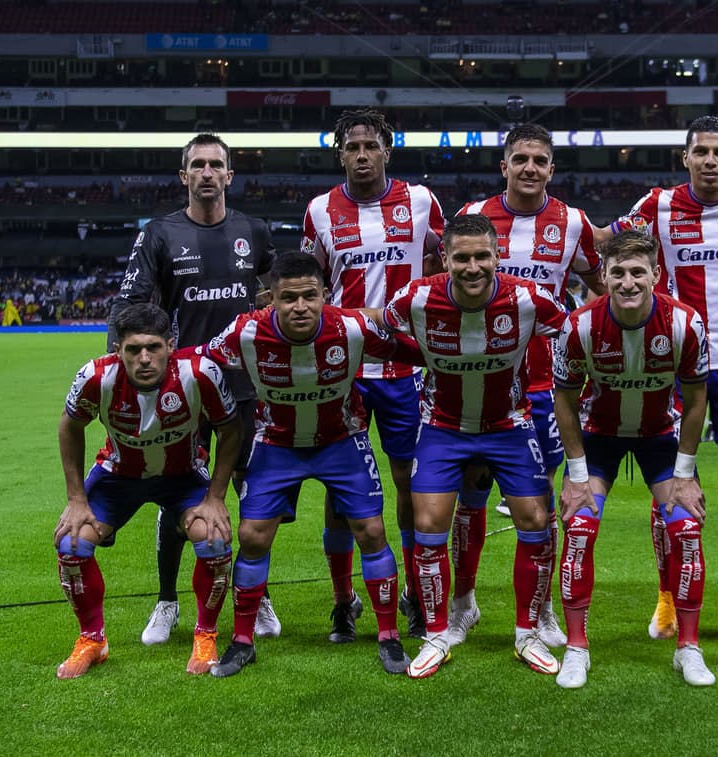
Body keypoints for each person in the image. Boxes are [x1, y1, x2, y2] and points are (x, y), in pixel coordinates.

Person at [608, 115, 718, 640]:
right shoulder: (656, 206)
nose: (710, 160)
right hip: (668, 364)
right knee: (667, 486)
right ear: (685, 158)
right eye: (701, 152)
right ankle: (668, 597)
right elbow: (603, 244)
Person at [202, 252, 410, 677]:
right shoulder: (245, 331)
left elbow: (407, 349)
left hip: (342, 441)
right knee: (252, 536)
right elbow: (200, 360)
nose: (300, 306)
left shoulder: (351, 327)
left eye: (309, 296)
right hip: (277, 444)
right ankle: (242, 640)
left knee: (371, 531)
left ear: (325, 295)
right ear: (270, 299)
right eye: (288, 298)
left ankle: (389, 636)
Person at [381, 214, 567, 679]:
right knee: (428, 524)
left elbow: (577, 332)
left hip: (510, 425)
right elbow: (378, 328)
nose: (472, 267)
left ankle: (527, 633)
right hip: (442, 427)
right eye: (461, 257)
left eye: (482, 256)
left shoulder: (529, 299)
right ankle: (437, 635)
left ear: (498, 256)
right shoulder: (416, 298)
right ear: (444, 259)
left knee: (536, 521)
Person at [109, 132, 277, 646]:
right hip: (182, 392)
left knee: (250, 497)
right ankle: (167, 600)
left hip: (244, 389)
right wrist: (123, 379)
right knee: (176, 498)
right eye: (198, 165)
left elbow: (277, 294)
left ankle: (256, 594)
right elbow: (128, 308)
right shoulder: (160, 234)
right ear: (184, 176)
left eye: (215, 165)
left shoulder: (254, 231)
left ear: (229, 175)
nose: (207, 172)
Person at [449, 123, 604, 651]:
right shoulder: (474, 216)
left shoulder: (573, 223)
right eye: (520, 159)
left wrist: (586, 344)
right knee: (470, 497)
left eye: (539, 160)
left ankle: (540, 610)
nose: (530, 168)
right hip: (479, 383)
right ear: (505, 166)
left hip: (543, 387)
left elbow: (602, 288)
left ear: (551, 169)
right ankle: (463, 602)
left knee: (539, 501)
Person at [303, 108, 445, 642]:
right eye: (352, 147)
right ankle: (344, 600)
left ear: (387, 150)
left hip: (407, 367)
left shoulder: (422, 201)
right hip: (345, 370)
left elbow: (444, 265)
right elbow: (311, 283)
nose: (361, 155)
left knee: (409, 480)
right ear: (340, 154)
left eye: (370, 146)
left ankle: (414, 594)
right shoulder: (320, 210)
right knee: (341, 486)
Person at [551, 230, 714, 688]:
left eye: (638, 272)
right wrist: (576, 475)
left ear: (656, 275)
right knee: (579, 528)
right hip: (598, 437)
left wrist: (685, 475)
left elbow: (696, 401)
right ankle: (577, 649)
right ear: (603, 276)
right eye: (618, 272)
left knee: (686, 527)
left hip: (659, 435)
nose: (628, 282)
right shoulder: (579, 326)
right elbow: (564, 401)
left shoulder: (685, 323)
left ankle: (688, 648)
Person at [53, 303, 239, 679]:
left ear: (170, 345)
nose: (144, 358)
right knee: (71, 543)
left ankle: (205, 634)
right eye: (133, 349)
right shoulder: (96, 377)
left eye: (153, 347)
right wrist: (76, 499)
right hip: (118, 476)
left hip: (183, 475)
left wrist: (216, 497)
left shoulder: (199, 373)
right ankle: (92, 640)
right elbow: (69, 427)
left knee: (214, 538)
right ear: (117, 350)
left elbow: (231, 429)